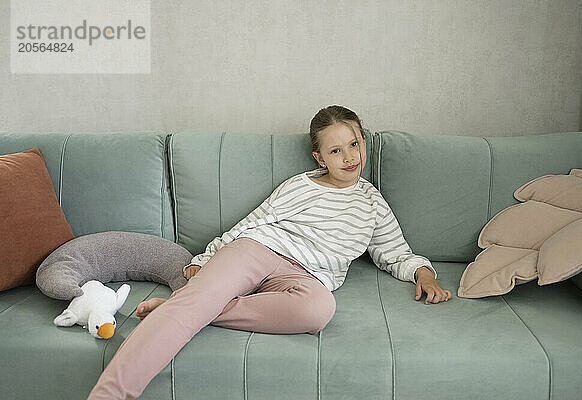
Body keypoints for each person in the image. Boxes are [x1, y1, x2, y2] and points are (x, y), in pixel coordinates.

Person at [87, 105, 452, 399]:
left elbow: (396, 252)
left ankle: (193, 306)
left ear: (364, 143)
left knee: (319, 310)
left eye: (354, 144)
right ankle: (111, 393)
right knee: (193, 303)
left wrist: (424, 274)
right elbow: (251, 223)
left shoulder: (373, 203)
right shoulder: (300, 186)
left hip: (306, 279)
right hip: (258, 250)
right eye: (335, 150)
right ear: (320, 157)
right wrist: (204, 259)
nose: (348, 156)